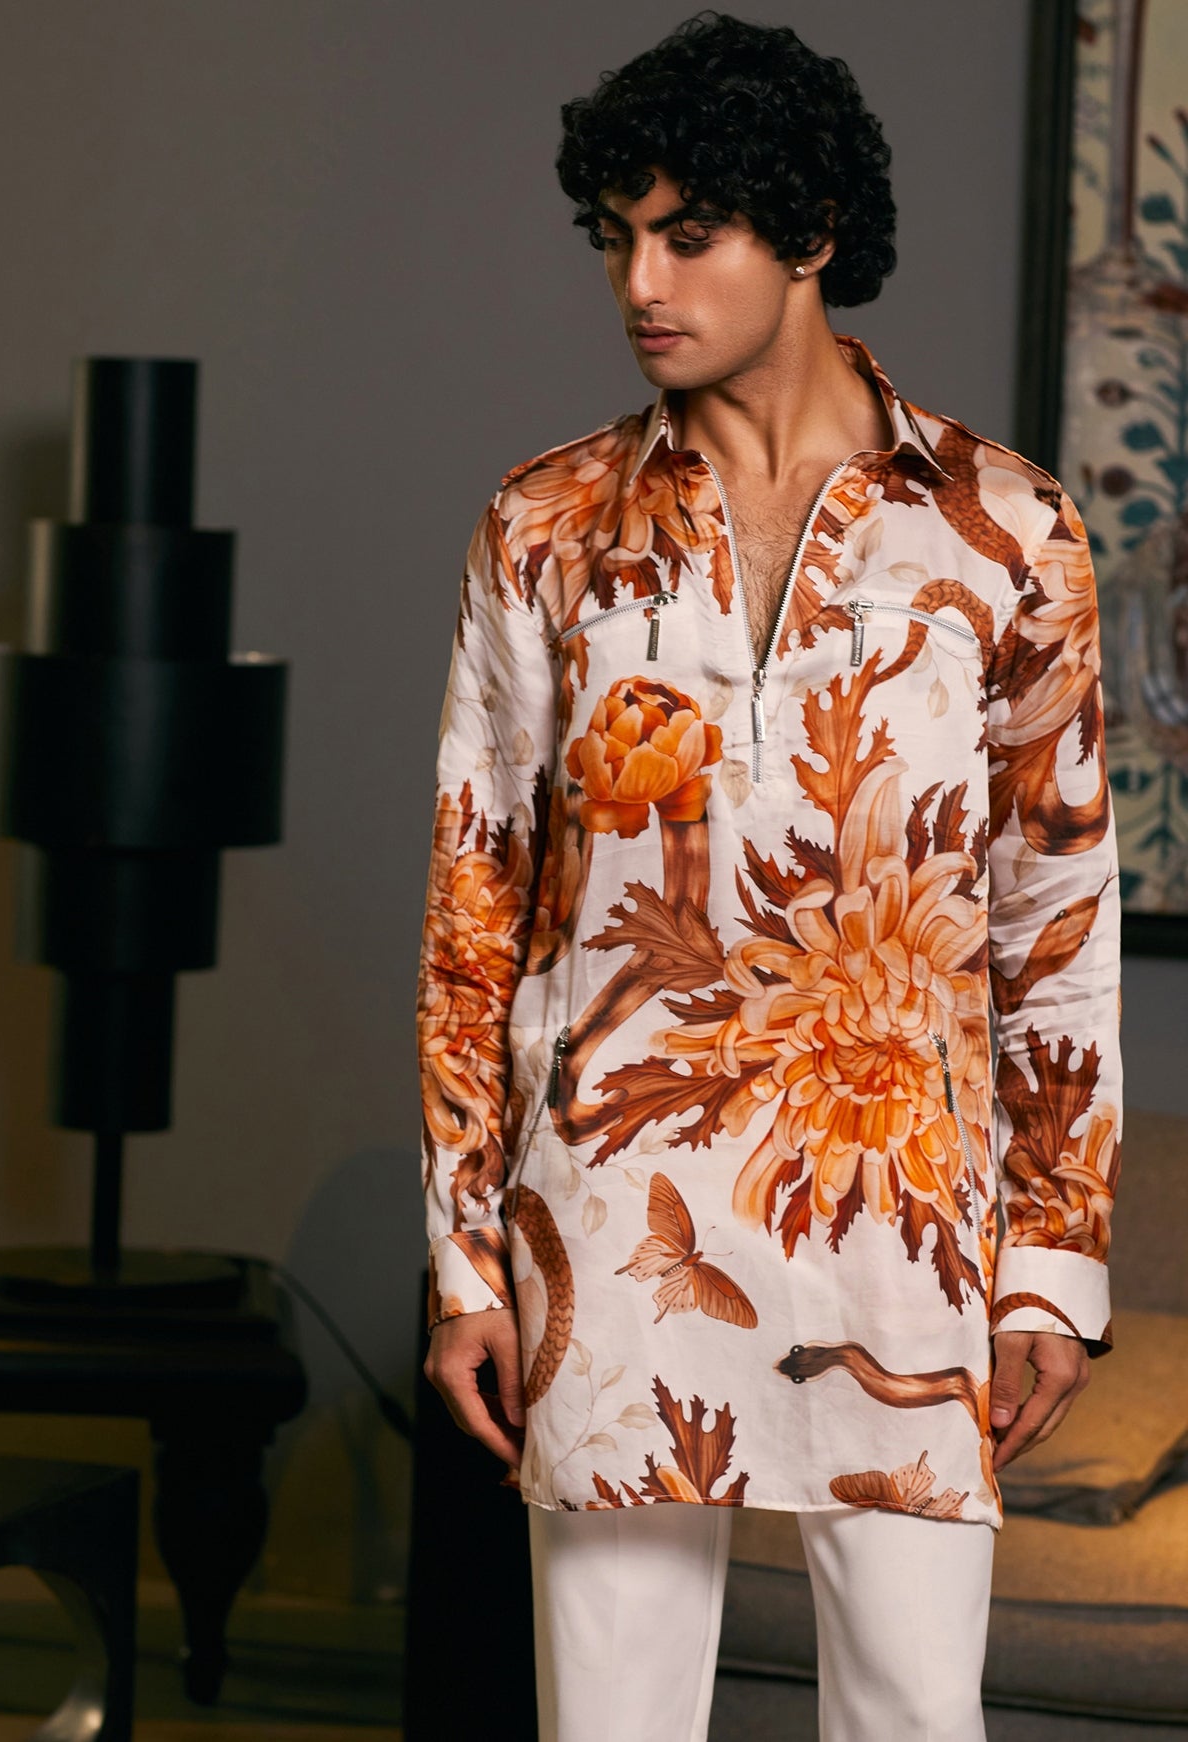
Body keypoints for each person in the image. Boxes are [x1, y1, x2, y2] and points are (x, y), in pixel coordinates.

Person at [417, 11, 1123, 1739]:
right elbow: (474, 915)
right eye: (617, 238)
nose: (639, 283)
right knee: (610, 1719)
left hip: (899, 1219)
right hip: (611, 1217)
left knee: (911, 1715)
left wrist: (1053, 1262)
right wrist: (465, 1260)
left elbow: (1056, 920)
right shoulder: (544, 528)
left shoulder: (1004, 531)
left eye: (688, 235)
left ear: (808, 234)